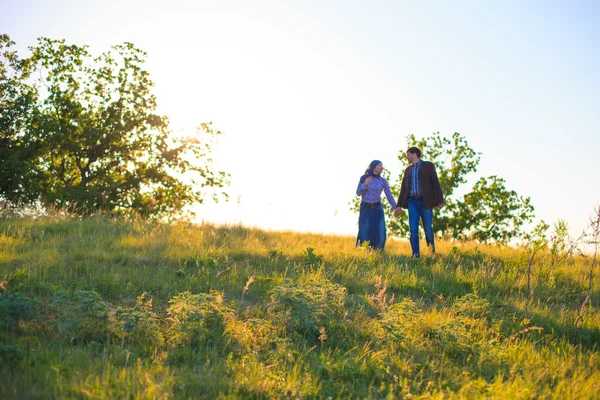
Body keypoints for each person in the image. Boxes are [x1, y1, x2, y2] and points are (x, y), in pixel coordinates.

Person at [394, 147, 444, 258]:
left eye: (408, 154)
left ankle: (432, 253)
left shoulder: (428, 166)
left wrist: (440, 200)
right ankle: (415, 255)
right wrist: (399, 205)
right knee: (413, 230)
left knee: (428, 229)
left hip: (425, 202)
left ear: (414, 154)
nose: (406, 157)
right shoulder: (408, 170)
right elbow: (403, 188)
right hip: (412, 202)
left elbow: (436, 183)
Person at [356, 160, 398, 250]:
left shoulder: (382, 181)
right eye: (379, 165)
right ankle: (363, 251)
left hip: (377, 208)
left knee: (380, 231)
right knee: (364, 231)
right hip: (365, 208)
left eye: (382, 166)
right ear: (374, 167)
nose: (381, 167)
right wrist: (365, 184)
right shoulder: (364, 178)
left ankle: (379, 251)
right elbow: (358, 192)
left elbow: (389, 194)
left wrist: (395, 206)